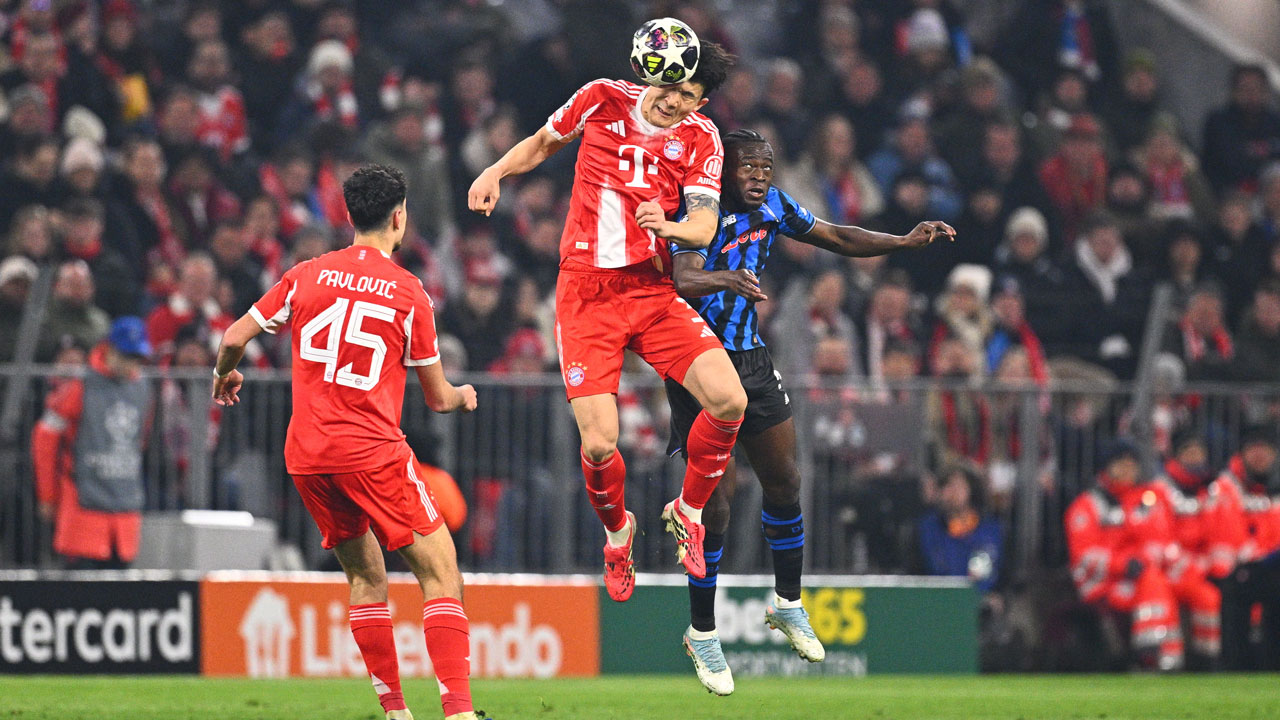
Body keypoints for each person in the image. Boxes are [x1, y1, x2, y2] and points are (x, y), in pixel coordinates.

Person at [664, 128, 954, 694]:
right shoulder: (698, 209)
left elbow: (836, 235)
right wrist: (726, 278)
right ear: (723, 169)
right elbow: (683, 276)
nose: (758, 177)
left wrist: (901, 242)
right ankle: (703, 631)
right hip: (697, 363)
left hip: (751, 359)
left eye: (766, 168)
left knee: (785, 480)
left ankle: (788, 603)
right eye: (748, 167)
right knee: (716, 505)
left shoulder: (774, 205)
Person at [467, 29, 746, 600]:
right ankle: (619, 534)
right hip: (586, 293)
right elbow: (542, 143)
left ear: (701, 101)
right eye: (671, 88)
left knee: (730, 401)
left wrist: (670, 227)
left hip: (651, 290)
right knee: (599, 445)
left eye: (689, 96)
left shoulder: (702, 138)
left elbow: (703, 224)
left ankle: (688, 510)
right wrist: (495, 171)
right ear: (654, 73)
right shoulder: (602, 97)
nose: (675, 102)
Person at [211, 165, 480, 720]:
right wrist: (463, 396)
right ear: (399, 217)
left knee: (365, 575)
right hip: (371, 451)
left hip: (308, 455)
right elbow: (436, 398)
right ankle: (457, 712)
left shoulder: (306, 274)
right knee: (441, 573)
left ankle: (396, 711)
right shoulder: (408, 292)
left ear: (350, 215)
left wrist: (223, 374)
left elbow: (234, 336)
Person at [1065, 439, 1221, 671]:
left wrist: (1182, 565)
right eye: (1121, 464)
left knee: (1205, 593)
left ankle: (1207, 661)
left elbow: (1160, 541)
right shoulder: (1087, 505)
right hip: (1103, 582)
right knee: (1154, 584)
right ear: (1106, 467)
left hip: (1142, 572)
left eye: (1132, 465)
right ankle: (1153, 658)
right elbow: (1084, 556)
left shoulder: (1145, 499)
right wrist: (1124, 564)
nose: (1127, 470)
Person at [30, 317, 152, 569]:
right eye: (126, 356)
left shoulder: (142, 387)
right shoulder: (79, 386)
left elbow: (140, 440)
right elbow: (45, 440)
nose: (131, 364)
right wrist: (47, 496)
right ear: (110, 349)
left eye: (136, 357)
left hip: (125, 517)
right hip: (83, 515)